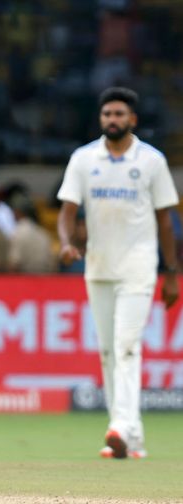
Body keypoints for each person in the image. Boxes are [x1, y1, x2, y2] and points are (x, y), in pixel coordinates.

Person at [57, 87, 180, 459]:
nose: (113, 120)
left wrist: (171, 272)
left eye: (119, 114)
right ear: (101, 119)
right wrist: (65, 242)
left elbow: (166, 221)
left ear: (133, 120)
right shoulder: (83, 158)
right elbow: (67, 212)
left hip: (139, 267)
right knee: (109, 351)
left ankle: (120, 427)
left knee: (127, 346)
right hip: (98, 266)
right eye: (107, 114)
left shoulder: (152, 160)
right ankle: (132, 436)